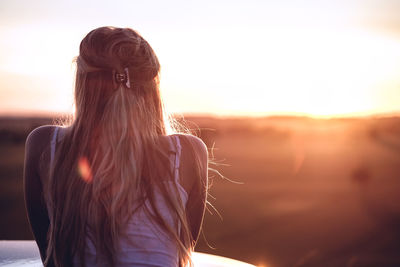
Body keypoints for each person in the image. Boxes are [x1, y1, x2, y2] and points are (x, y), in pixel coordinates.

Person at [23, 26, 208, 267]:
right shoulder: (189, 153)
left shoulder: (44, 145)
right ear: (152, 88)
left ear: (82, 86)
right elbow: (180, 252)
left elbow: (50, 256)